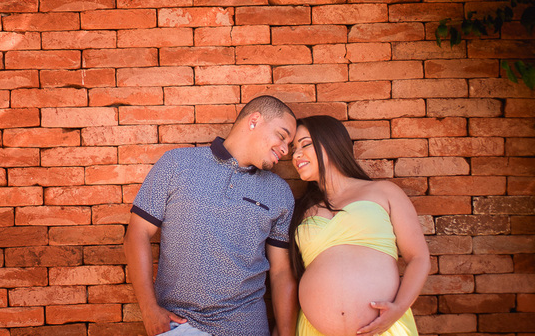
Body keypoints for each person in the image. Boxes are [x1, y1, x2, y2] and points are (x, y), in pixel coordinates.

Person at [124, 95, 299, 336]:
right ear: (254, 120)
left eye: (289, 144)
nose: (286, 150)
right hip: (178, 325)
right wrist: (148, 310)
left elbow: (280, 272)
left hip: (247, 328)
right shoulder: (177, 164)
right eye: (282, 136)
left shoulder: (280, 193)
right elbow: (137, 233)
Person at [290, 115, 430, 336]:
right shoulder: (300, 211)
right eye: (292, 149)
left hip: (384, 329)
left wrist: (399, 308)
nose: (296, 155)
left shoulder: (384, 192)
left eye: (305, 144)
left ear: (331, 142)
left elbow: (419, 258)